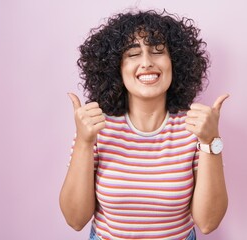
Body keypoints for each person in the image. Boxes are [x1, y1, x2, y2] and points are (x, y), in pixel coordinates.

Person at [59, 9, 228, 240]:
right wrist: (84, 141)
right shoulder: (97, 127)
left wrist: (210, 141)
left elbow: (208, 223)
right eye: (133, 54)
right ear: (116, 67)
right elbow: (75, 220)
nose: (147, 62)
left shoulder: (194, 128)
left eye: (158, 51)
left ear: (175, 62)